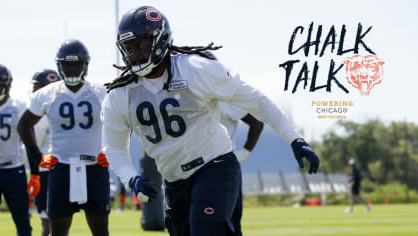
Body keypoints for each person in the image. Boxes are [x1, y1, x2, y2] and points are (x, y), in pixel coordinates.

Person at [101, 6, 320, 236]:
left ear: (160, 39)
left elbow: (256, 101)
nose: (134, 53)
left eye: (141, 44)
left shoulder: (195, 69)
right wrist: (131, 178)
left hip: (214, 166)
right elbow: (114, 148)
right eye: (129, 47)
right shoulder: (120, 94)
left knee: (206, 230)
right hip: (174, 182)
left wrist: (294, 138)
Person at [17, 39, 110, 236]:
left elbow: (121, 123)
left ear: (85, 64)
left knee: (101, 232)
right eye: (67, 64)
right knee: (57, 232)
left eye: (76, 64)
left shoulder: (100, 92)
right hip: (61, 168)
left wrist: (111, 151)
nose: (72, 69)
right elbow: (24, 125)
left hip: (95, 166)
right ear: (59, 65)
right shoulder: (47, 93)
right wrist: (37, 156)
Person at [0, 64, 31, 236]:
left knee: (23, 222)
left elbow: (30, 140)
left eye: (0, 87)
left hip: (14, 170)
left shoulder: (18, 106)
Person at [221, 102, 264, 236]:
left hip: (224, 167)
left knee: (230, 225)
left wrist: (244, 153)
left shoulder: (226, 98)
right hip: (194, 167)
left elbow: (257, 123)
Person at [30, 69, 62, 236]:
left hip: (45, 172)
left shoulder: (40, 116)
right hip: (64, 170)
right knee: (62, 221)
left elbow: (31, 148)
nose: (34, 91)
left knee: (48, 226)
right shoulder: (63, 110)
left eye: (37, 88)